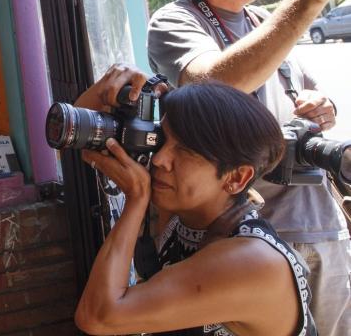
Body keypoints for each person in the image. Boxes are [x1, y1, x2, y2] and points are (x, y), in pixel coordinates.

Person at [147, 0, 351, 336]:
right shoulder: (175, 20)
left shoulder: (264, 20)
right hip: (259, 238)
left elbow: (295, 91)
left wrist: (321, 105)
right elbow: (211, 85)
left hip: (322, 223)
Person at [74, 65, 314, 336]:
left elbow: (98, 316)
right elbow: (83, 142)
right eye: (162, 140)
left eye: (186, 150)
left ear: (236, 178)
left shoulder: (251, 262)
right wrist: (112, 86)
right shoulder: (183, 207)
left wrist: (136, 200)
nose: (161, 159)